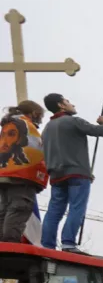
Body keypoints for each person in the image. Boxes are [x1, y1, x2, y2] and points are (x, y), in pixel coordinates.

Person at [40, 94, 103, 253]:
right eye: (68, 101)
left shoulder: (47, 129)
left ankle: (47, 246)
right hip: (77, 174)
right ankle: (68, 243)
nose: (72, 104)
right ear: (61, 105)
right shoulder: (73, 121)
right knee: (76, 207)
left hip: (56, 175)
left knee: (54, 211)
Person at [0, 101, 47, 243]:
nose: (40, 119)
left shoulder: (9, 124)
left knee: (4, 211)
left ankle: (3, 243)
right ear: (34, 113)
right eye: (40, 116)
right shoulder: (26, 126)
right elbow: (36, 150)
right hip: (21, 175)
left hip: (5, 173)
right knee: (19, 209)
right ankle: (11, 245)